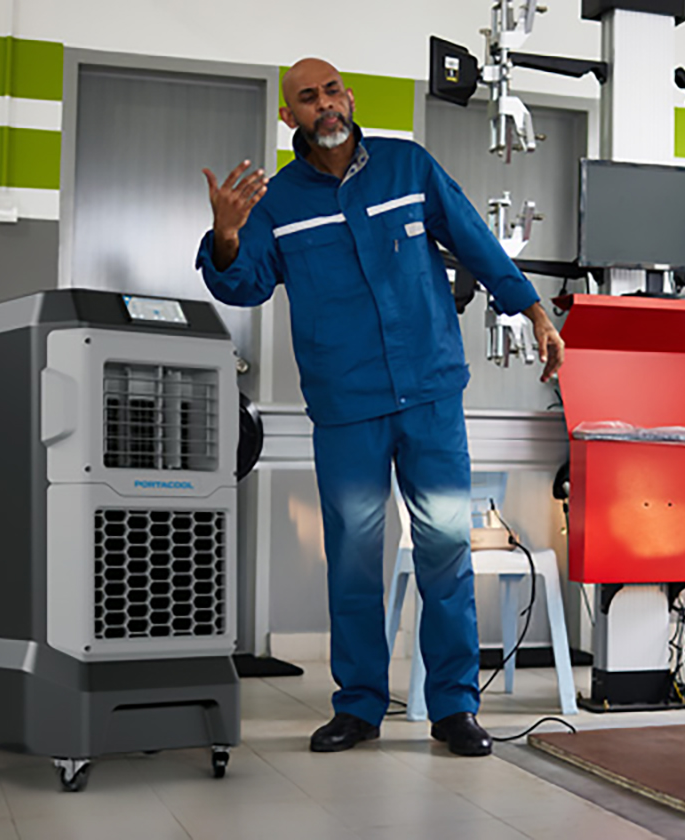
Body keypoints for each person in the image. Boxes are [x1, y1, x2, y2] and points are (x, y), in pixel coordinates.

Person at [196, 58, 564, 757]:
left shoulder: (408, 168)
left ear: (349, 97)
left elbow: (478, 244)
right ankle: (359, 706)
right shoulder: (276, 203)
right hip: (347, 409)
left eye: (332, 91)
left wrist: (533, 311)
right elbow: (241, 285)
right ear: (289, 118)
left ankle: (454, 708)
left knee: (446, 551)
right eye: (307, 99)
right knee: (356, 563)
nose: (325, 106)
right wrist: (226, 235)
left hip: (429, 396)